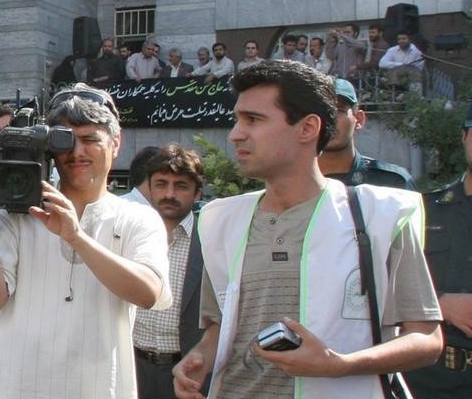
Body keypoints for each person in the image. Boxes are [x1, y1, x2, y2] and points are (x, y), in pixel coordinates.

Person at [172, 61, 443, 399]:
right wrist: (201, 356)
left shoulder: (380, 216)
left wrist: (340, 364)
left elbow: (427, 340)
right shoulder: (219, 220)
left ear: (307, 128)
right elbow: (219, 325)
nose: (235, 134)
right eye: (237, 119)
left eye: (253, 120)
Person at [0, 84, 171, 399]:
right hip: (10, 387)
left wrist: (76, 236)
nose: (77, 153)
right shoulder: (19, 213)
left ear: (116, 143)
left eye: (90, 140)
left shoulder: (137, 218)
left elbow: (147, 293)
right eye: (67, 141)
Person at [402, 105, 472, 398]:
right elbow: (382, 287)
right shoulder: (422, 210)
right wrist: (441, 304)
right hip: (433, 381)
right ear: (464, 137)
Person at [134, 144, 207, 399]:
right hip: (132, 366)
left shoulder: (209, 240)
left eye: (181, 186)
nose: (169, 194)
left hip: (184, 372)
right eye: (161, 184)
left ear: (198, 193)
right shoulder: (131, 235)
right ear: (150, 188)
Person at [318, 78, 415, 190]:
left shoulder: (394, 183)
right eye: (320, 111)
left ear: (358, 120)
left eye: (339, 110)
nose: (329, 120)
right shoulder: (295, 184)